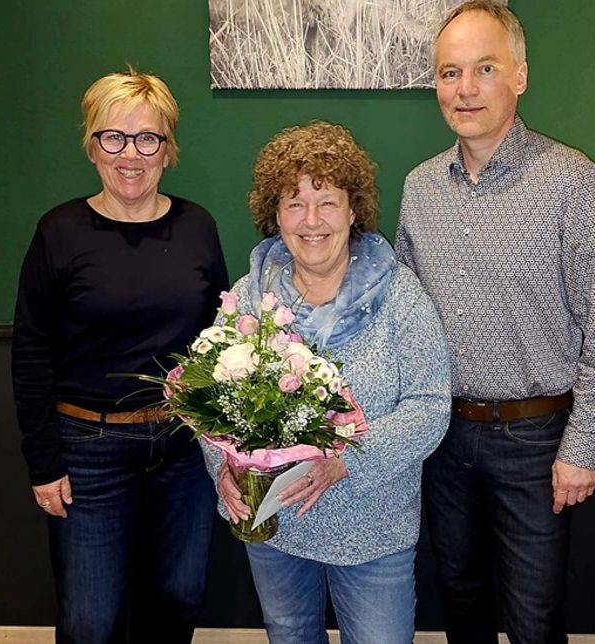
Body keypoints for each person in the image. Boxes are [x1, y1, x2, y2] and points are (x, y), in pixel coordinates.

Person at [395, 3, 595, 643]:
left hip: (536, 441)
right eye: (449, 73)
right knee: (460, 598)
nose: (464, 89)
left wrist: (583, 445)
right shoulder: (420, 189)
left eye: (484, 68)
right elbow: (406, 318)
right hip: (443, 436)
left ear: (520, 76)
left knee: (533, 617)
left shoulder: (574, 182)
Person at [202, 121, 451, 644]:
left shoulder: (400, 296)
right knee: (289, 635)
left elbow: (429, 407)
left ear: (354, 209)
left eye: (328, 202)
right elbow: (211, 399)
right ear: (275, 214)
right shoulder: (250, 297)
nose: (311, 220)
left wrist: (343, 461)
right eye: (294, 203)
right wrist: (222, 469)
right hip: (276, 528)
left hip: (373, 530)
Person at [11, 67, 229, 644]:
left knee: (179, 598)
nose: (130, 154)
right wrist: (43, 461)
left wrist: (226, 442)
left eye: (147, 138)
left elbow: (219, 342)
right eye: (114, 136)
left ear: (167, 149)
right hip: (87, 453)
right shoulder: (59, 232)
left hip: (182, 448)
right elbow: (31, 349)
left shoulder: (197, 228)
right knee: (90, 621)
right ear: (91, 145)